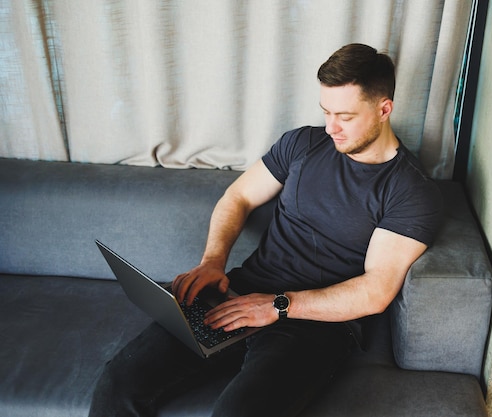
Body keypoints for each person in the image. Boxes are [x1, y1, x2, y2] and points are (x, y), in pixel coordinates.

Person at [89, 43, 442, 417]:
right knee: (119, 383)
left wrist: (278, 306)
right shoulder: (303, 143)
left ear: (384, 109)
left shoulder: (410, 190)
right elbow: (238, 196)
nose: (330, 127)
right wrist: (213, 261)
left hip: (315, 326)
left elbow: (375, 291)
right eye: (326, 112)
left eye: (345, 116)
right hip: (242, 292)